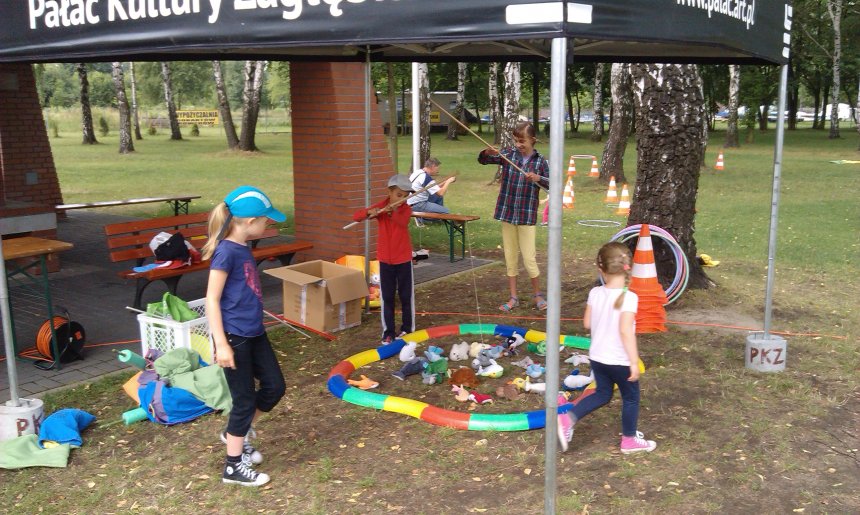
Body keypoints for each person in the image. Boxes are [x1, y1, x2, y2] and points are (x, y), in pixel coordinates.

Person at [202, 185, 287, 487]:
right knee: (244, 400)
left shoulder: (242, 248)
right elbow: (212, 299)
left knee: (275, 387)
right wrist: (221, 344)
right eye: (266, 220)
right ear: (250, 222)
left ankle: (234, 434)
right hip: (234, 337)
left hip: (254, 332)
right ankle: (233, 467)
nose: (268, 224)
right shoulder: (226, 252)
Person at [556, 242, 657, 455]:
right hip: (619, 361)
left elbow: (587, 323)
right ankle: (629, 440)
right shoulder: (630, 298)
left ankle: (568, 419)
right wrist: (633, 362)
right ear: (628, 267)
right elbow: (625, 331)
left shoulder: (595, 292)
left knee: (602, 394)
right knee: (631, 398)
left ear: (601, 269)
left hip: (598, 358)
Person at [477, 121, 550, 312]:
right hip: (508, 213)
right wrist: (487, 153)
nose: (518, 144)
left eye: (522, 141)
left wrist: (538, 178)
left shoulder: (541, 162)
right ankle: (513, 298)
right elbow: (483, 160)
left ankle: (538, 295)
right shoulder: (508, 155)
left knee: (529, 258)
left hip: (526, 216)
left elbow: (553, 183)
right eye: (516, 140)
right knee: (510, 257)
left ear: (533, 140)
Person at [353, 174, 415, 344]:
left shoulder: (405, 209)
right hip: (385, 261)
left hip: (403, 259)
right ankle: (388, 332)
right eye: (398, 195)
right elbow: (356, 216)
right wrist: (370, 212)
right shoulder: (381, 206)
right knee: (387, 297)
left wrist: (392, 211)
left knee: (405, 296)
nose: (402, 200)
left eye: (405, 196)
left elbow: (402, 222)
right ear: (389, 192)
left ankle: (407, 328)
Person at [407, 157, 455, 225]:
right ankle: (423, 219)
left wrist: (445, 181)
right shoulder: (426, 178)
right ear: (433, 166)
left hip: (410, 202)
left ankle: (437, 218)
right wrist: (448, 182)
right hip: (418, 204)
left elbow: (435, 188)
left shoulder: (418, 172)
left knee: (438, 197)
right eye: (437, 168)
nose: (438, 171)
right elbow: (441, 193)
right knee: (446, 211)